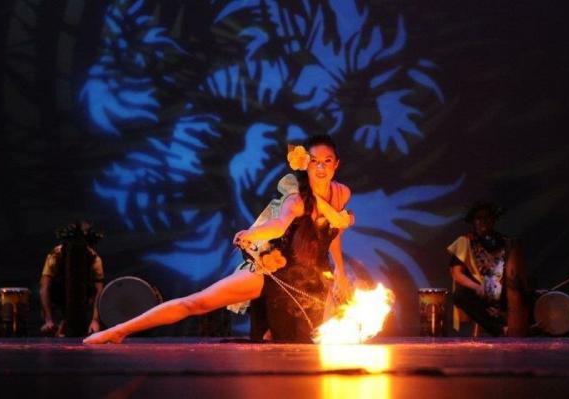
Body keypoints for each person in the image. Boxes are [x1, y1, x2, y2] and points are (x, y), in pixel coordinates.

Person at [84, 134, 354, 344]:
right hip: (278, 271)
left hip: (313, 282)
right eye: (315, 161)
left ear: (337, 163)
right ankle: (120, 330)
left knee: (311, 349)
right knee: (198, 302)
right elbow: (277, 226)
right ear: (305, 164)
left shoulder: (342, 194)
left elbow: (331, 236)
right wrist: (252, 233)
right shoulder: (296, 200)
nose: (321, 167)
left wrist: (340, 272)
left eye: (327, 161)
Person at [447, 201, 529, 337]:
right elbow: (457, 274)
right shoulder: (465, 241)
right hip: (480, 293)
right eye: (479, 218)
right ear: (473, 221)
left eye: (487, 217)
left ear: (493, 220)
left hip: (503, 292)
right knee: (460, 296)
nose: (484, 221)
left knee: (527, 290)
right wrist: (476, 287)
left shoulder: (504, 241)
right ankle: (500, 330)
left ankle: (526, 328)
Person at [40, 221, 105, 337]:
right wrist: (48, 319)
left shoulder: (94, 258)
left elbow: (99, 292)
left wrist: (95, 320)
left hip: (83, 296)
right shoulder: (55, 256)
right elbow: (45, 288)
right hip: (59, 295)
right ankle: (61, 321)